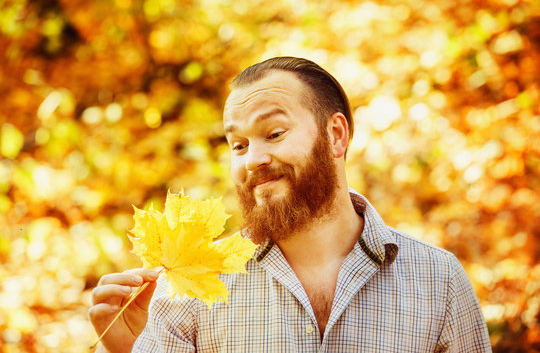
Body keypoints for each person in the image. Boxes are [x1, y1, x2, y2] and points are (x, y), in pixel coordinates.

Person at [89, 57, 492, 352]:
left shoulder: (438, 281)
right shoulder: (189, 290)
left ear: (335, 135)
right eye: (239, 145)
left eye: (274, 133)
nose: (252, 160)